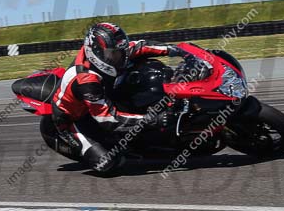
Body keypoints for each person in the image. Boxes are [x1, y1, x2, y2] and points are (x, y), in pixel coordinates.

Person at [51, 22, 209, 174]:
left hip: (100, 99)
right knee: (108, 163)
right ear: (97, 52)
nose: (120, 57)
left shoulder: (113, 53)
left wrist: (178, 51)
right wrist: (155, 119)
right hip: (73, 120)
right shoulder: (86, 80)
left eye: (121, 52)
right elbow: (107, 120)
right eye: (114, 54)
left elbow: (140, 46)